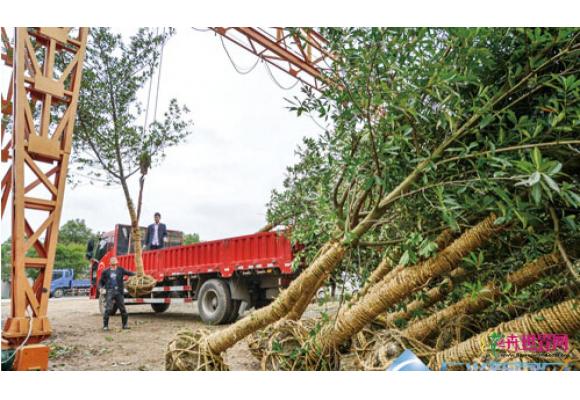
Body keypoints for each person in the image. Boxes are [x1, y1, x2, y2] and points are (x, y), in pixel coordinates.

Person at [99, 256, 135, 330]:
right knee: (108, 309)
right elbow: (101, 282)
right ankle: (105, 326)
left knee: (122, 309)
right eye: (113, 264)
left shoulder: (120, 270)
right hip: (110, 291)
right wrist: (100, 288)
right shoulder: (106, 272)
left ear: (117, 263)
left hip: (119, 292)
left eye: (115, 264)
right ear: (110, 264)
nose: (114, 265)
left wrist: (137, 274)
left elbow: (129, 273)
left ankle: (124, 325)